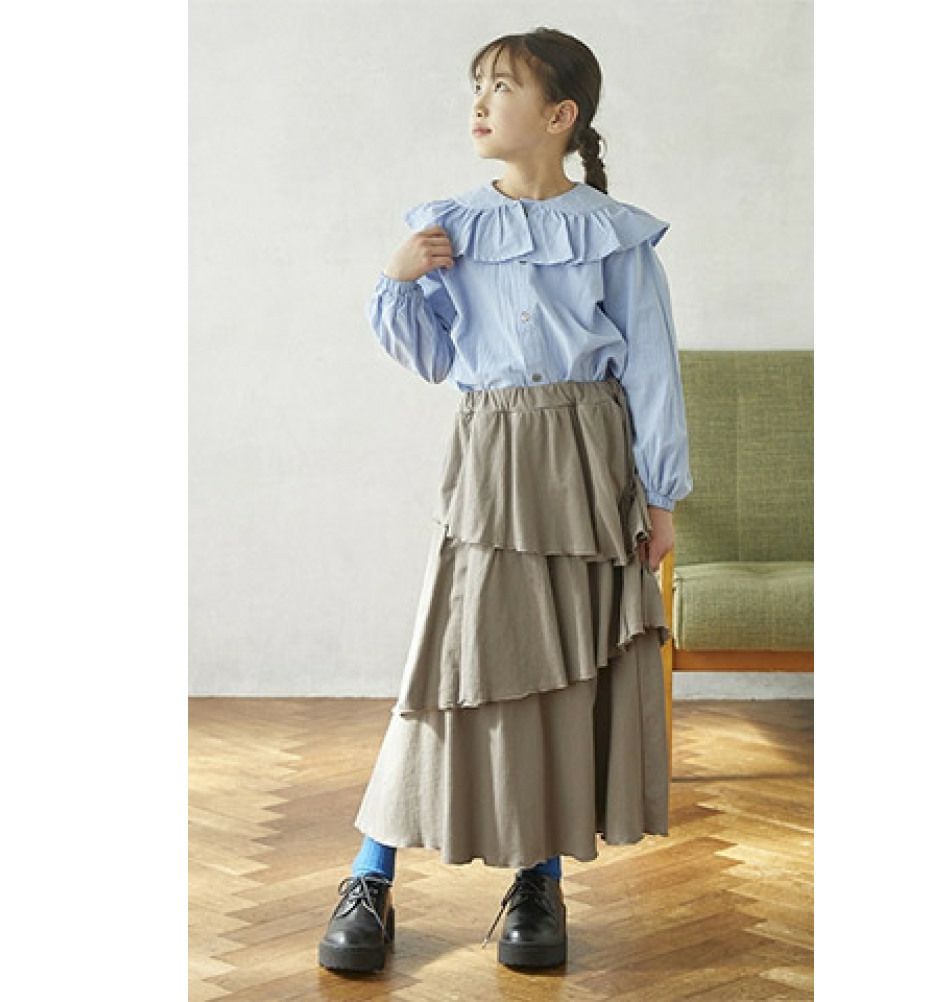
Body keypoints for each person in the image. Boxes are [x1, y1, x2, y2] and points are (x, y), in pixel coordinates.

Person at [318, 26, 693, 975]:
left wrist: (661, 499)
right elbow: (432, 357)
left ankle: (539, 879)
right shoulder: (452, 226)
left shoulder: (615, 233)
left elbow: (652, 370)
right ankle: (370, 873)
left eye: (502, 87)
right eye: (476, 86)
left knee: (563, 670)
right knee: (447, 664)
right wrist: (397, 281)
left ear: (560, 116)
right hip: (491, 453)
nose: (479, 103)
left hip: (591, 458)